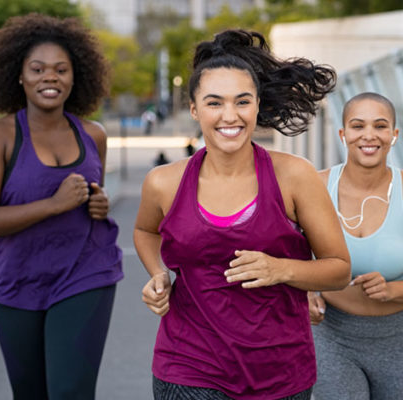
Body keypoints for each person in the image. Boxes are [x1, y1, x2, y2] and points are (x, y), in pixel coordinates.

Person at [134, 29, 351, 400]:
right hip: (188, 365)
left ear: (257, 106)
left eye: (242, 102)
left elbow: (339, 269)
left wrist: (281, 269)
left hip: (281, 371)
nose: (229, 116)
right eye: (214, 103)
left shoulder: (294, 175)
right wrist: (159, 274)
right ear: (194, 109)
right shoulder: (163, 182)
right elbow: (145, 230)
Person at [0, 13, 123, 400]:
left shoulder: (93, 135)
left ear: (75, 77)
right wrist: (53, 204)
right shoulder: (1, 137)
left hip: (86, 273)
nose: (49, 77)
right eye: (37, 69)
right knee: (29, 393)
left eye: (60, 70)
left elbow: (92, 194)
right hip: (17, 280)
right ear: (19, 76)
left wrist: (99, 203)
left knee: (70, 392)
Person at [308, 92, 403, 400]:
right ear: (343, 134)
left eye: (380, 126)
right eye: (358, 126)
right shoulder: (315, 186)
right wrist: (306, 293)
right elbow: (291, 256)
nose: (369, 135)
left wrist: (392, 291)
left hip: (401, 338)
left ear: (394, 135)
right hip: (332, 335)